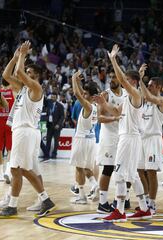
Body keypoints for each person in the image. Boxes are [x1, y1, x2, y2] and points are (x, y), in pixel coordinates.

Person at [0, 41, 55, 218]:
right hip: (25, 131)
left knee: (16, 169)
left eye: (30, 73)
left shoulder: (35, 87)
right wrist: (15, 57)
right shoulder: (22, 88)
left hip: (25, 131)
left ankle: (13, 205)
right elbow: (7, 74)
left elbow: (19, 72)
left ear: (35, 76)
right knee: (27, 169)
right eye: (27, 72)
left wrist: (22, 55)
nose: (25, 74)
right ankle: (44, 199)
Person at [96, 44, 151, 222]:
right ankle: (144, 208)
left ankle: (119, 211)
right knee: (133, 174)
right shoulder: (129, 97)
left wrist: (113, 59)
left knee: (119, 174)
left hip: (129, 138)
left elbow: (121, 78)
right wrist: (103, 104)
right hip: (129, 138)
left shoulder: (136, 94)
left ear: (133, 82)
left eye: (126, 79)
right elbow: (116, 112)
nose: (122, 81)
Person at [96, 71, 127, 213]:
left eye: (114, 77)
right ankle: (102, 202)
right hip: (108, 136)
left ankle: (121, 199)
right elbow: (99, 118)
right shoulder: (105, 95)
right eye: (111, 77)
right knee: (108, 169)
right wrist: (114, 118)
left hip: (122, 135)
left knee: (123, 169)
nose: (112, 79)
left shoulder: (126, 94)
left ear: (121, 79)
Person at [138, 69, 163, 214]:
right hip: (142, 139)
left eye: (151, 86)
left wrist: (139, 80)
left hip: (154, 139)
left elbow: (149, 97)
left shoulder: (162, 101)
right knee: (139, 170)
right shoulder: (145, 103)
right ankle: (145, 200)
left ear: (158, 87)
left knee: (151, 172)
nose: (148, 88)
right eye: (147, 85)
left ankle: (152, 204)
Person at [69, 70, 99, 204]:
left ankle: (81, 196)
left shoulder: (88, 105)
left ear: (92, 97)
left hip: (82, 139)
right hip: (91, 139)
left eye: (86, 94)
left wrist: (73, 79)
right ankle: (95, 185)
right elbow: (82, 92)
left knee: (79, 168)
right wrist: (79, 82)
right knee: (87, 168)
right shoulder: (95, 104)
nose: (83, 94)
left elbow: (76, 93)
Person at [0, 79, 15, 183]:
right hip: (10, 122)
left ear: (1, 84)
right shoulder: (14, 92)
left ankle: (0, 174)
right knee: (10, 149)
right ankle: (8, 170)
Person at [45, 92, 65, 159]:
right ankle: (46, 154)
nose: (52, 98)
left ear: (56, 98)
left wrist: (58, 124)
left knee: (56, 141)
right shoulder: (48, 104)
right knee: (48, 141)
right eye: (52, 97)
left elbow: (62, 116)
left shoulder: (60, 106)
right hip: (49, 125)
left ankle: (54, 154)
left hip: (57, 126)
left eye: (54, 97)